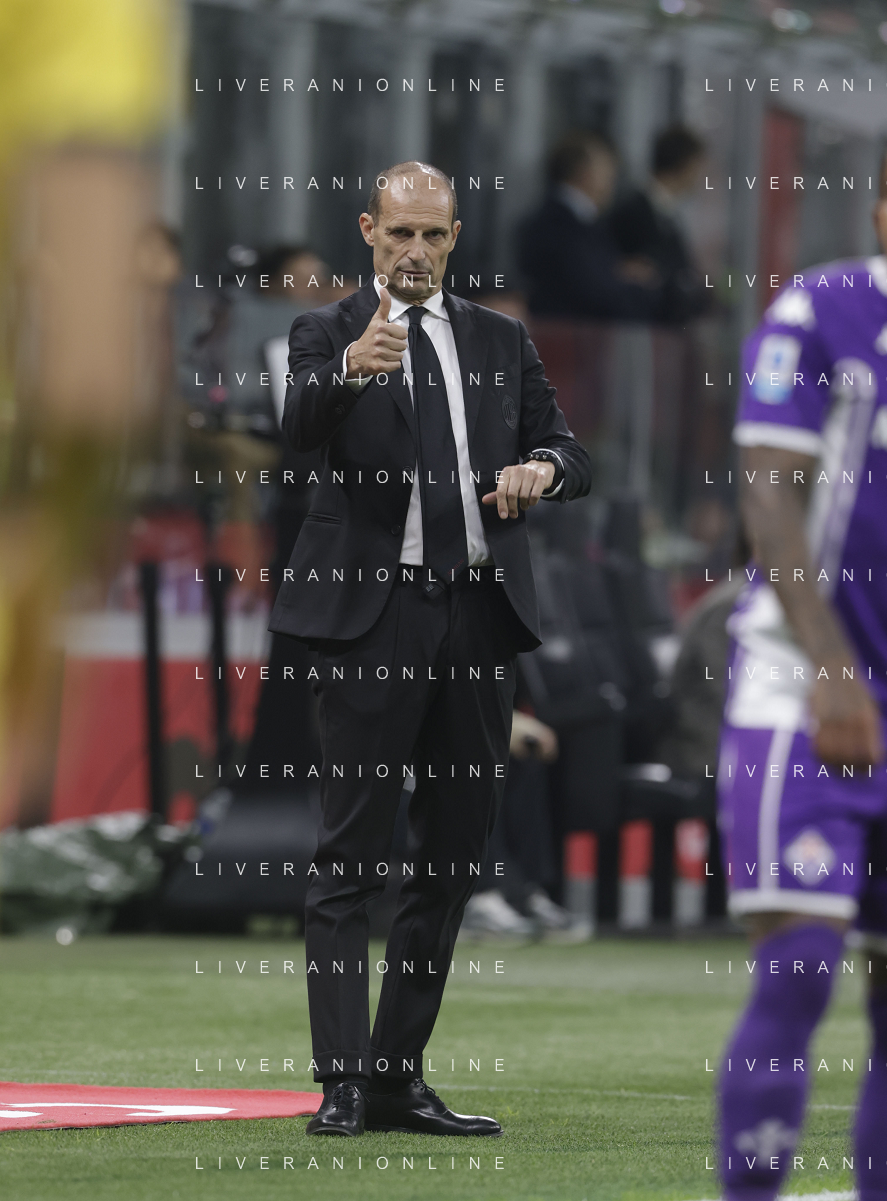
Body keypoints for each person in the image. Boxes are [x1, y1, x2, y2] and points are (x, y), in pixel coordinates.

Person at [267, 160, 592, 1137]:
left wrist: (541, 470)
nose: (415, 251)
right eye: (399, 232)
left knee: (451, 856)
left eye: (433, 234)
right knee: (349, 855)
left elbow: (571, 451)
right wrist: (347, 372)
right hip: (374, 616)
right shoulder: (326, 330)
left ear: (455, 237)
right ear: (368, 229)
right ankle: (339, 1079)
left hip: (475, 614)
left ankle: (394, 1077)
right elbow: (294, 430)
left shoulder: (499, 338)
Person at [715, 164, 887, 1200]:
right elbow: (767, 493)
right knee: (798, 967)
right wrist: (830, 667)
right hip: (801, 685)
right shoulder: (823, 309)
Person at [518, 130, 663, 322]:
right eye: (606, 169)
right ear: (584, 172)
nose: (612, 180)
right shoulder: (560, 226)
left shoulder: (580, 223)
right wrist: (640, 285)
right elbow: (597, 295)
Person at [608, 124, 707, 324]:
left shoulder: (668, 214)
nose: (700, 177)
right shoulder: (632, 212)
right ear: (685, 166)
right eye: (698, 168)